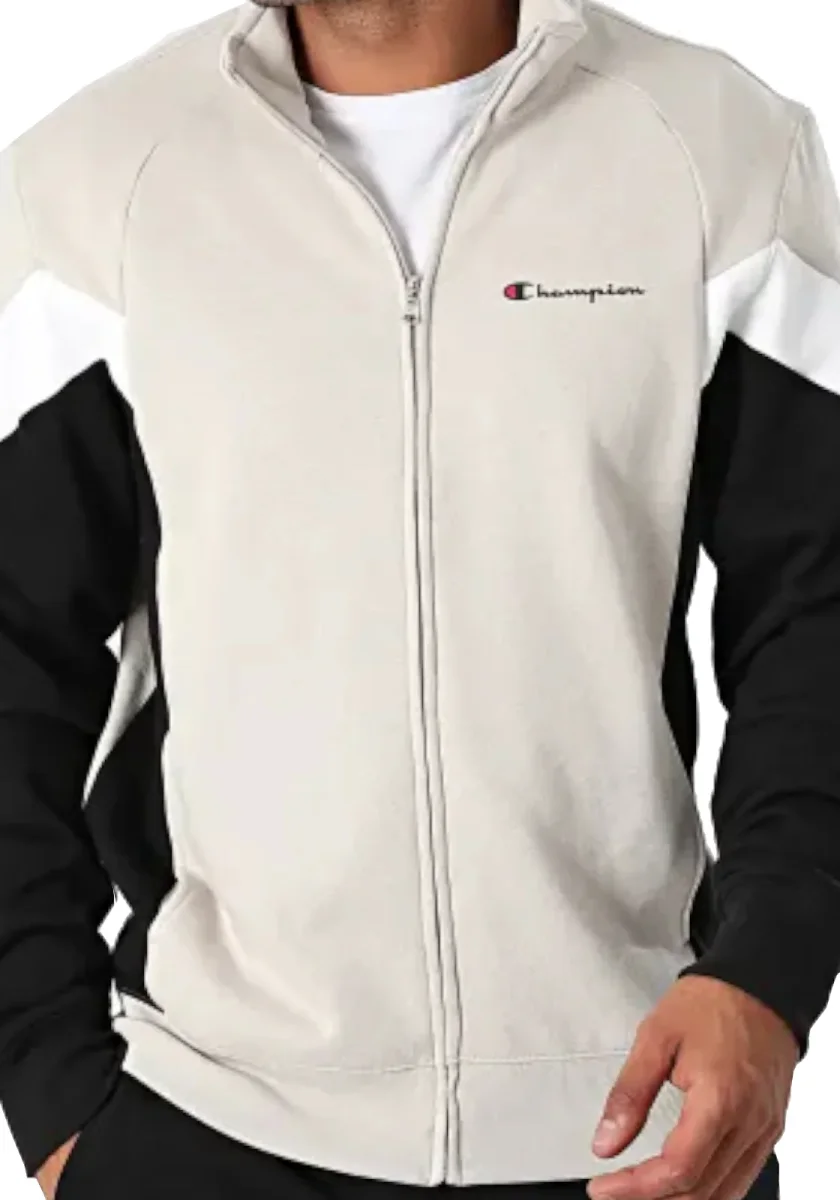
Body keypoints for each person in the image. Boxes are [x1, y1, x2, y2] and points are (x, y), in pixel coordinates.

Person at [1, 0, 839, 1197]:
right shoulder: (96, 182)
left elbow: (817, 611)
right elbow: (17, 649)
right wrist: (50, 1085)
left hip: (638, 1120)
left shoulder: (719, 152)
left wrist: (767, 977)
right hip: (209, 1116)